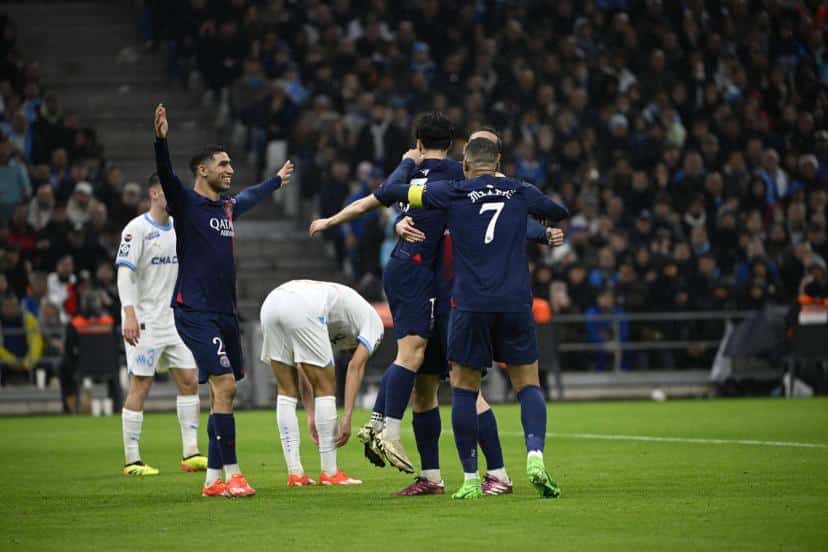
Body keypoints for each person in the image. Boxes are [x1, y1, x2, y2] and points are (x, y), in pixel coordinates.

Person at [380, 137, 568, 499]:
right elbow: (556, 209)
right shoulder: (519, 190)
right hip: (514, 301)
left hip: (469, 303)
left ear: (465, 164)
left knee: (464, 389)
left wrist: (406, 172)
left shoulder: (451, 191)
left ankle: (469, 477)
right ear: (498, 162)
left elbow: (392, 192)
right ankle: (534, 454)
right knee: (528, 384)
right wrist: (530, 212)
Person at [153, 103, 293, 498]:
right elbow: (165, 174)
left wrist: (276, 181)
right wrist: (160, 141)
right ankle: (233, 475)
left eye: (231, 164)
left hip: (225, 313)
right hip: (194, 310)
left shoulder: (227, 207)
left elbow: (250, 195)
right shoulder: (186, 203)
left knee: (221, 394)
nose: (230, 170)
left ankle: (213, 480)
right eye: (223, 164)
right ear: (203, 170)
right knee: (226, 386)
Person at [115, 174, 207, 476]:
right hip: (145, 321)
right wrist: (128, 313)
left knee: (189, 380)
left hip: (176, 320)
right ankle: (132, 460)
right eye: (169, 192)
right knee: (141, 384)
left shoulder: (180, 229)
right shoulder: (137, 229)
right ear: (154, 193)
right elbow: (125, 274)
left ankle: (191, 452)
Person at [259, 279, 384, 487]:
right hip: (302, 305)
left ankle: (295, 473)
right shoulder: (375, 324)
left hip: (271, 302)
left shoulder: (341, 313)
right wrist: (347, 417)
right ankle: (330, 472)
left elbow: (302, 367)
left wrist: (310, 414)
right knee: (326, 385)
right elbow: (355, 366)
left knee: (286, 390)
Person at [0, 293, 43, 386]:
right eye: (7, 306)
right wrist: (11, 361)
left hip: (26, 361)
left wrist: (27, 363)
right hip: (4, 361)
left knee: (45, 363)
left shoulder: (29, 319)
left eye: (14, 305)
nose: (11, 308)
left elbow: (36, 343)